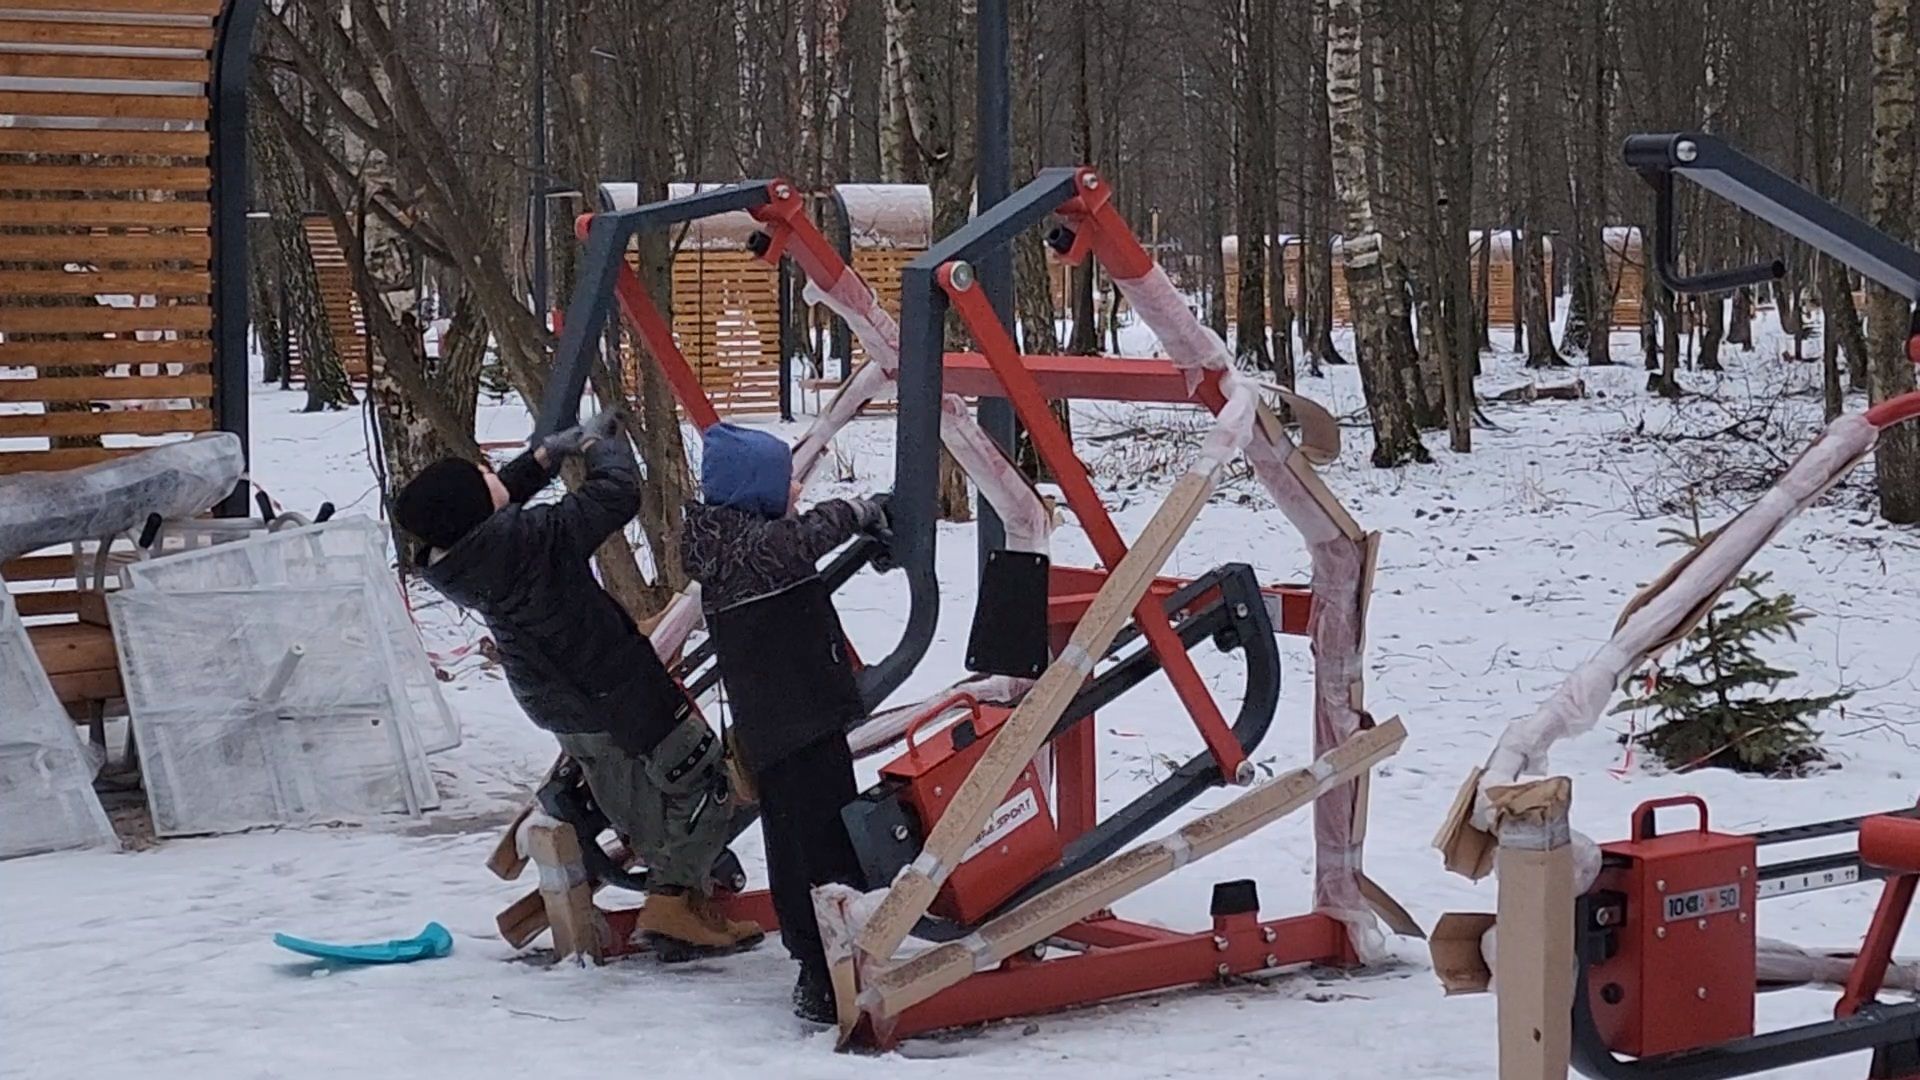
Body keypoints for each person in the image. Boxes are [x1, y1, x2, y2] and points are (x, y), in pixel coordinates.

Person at [391, 412, 763, 962]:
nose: (495, 475)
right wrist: (598, 446)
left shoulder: (456, 563)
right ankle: (673, 903)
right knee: (704, 778)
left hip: (560, 702)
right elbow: (616, 494)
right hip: (612, 685)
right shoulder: (534, 540)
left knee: (632, 793)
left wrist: (543, 459)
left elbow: (486, 511)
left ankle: (682, 895)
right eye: (485, 476)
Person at [680, 422, 889, 1023]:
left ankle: (813, 958)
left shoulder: (717, 539)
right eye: (783, 481)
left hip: (772, 724)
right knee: (825, 841)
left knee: (790, 836)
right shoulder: (764, 548)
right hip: (803, 717)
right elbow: (816, 530)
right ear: (754, 493)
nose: (795, 488)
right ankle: (829, 967)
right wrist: (865, 508)